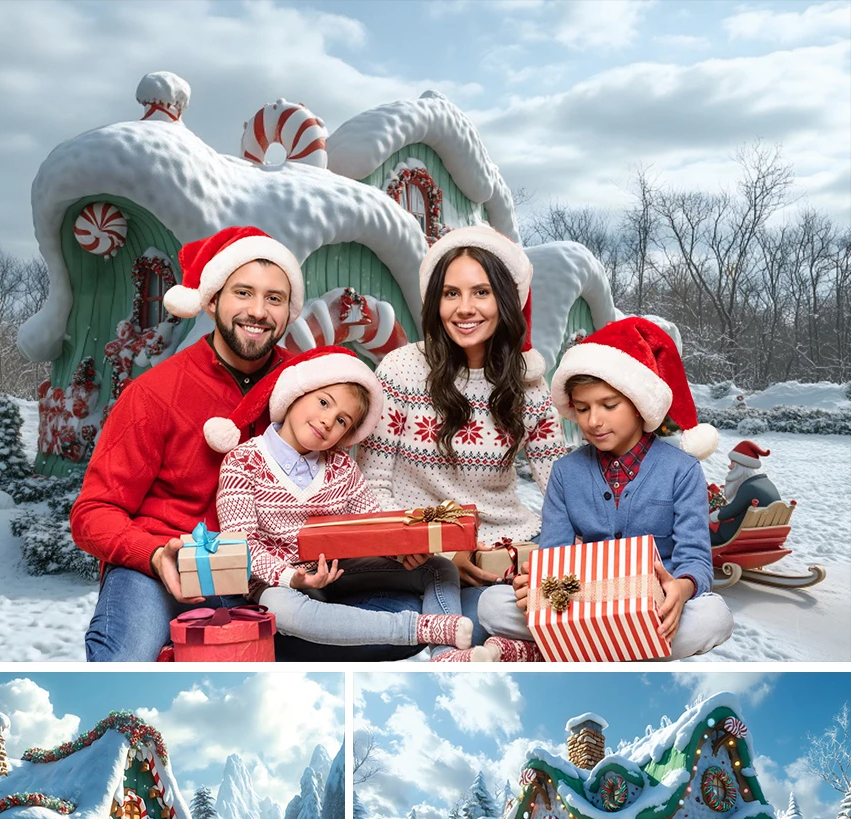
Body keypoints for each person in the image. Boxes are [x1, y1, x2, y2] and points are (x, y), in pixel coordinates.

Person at [69, 226, 421, 660]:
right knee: (126, 658)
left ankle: (254, 651)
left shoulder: (313, 387)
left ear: (288, 312)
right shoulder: (153, 394)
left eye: (274, 298)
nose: (258, 311)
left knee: (397, 615)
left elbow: (340, 492)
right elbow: (92, 513)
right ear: (212, 300)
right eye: (243, 293)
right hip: (168, 563)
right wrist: (154, 553)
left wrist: (394, 543)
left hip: (274, 572)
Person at [358, 226, 566, 661]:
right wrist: (437, 550)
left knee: (531, 615)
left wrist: (545, 559)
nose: (465, 308)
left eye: (481, 293)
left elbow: (561, 487)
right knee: (458, 628)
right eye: (451, 293)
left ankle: (513, 650)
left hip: (505, 548)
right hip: (418, 550)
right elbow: (372, 483)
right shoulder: (402, 369)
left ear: (505, 300)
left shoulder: (530, 383)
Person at [479, 316, 734, 660]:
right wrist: (535, 585)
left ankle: (571, 648)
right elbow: (554, 554)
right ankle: (623, 647)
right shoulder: (565, 473)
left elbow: (696, 559)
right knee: (492, 603)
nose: (593, 421)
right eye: (582, 409)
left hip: (656, 606)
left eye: (608, 405)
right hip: (581, 603)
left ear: (639, 403)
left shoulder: (683, 470)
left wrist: (682, 588)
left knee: (714, 616)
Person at [212, 345, 487, 658]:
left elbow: (373, 525)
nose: (328, 421)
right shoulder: (242, 461)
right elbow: (241, 544)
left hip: (339, 571)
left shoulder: (342, 466)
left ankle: (446, 655)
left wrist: (403, 552)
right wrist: (291, 577)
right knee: (280, 609)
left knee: (438, 567)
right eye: (323, 402)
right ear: (296, 394)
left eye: (342, 420)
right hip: (278, 583)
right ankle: (419, 628)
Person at [710, 440, 781, 545]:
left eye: (732, 463)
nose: (729, 467)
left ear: (741, 467)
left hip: (737, 536)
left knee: (700, 531)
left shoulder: (749, 487)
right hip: (764, 534)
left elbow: (732, 510)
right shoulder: (766, 482)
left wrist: (711, 517)